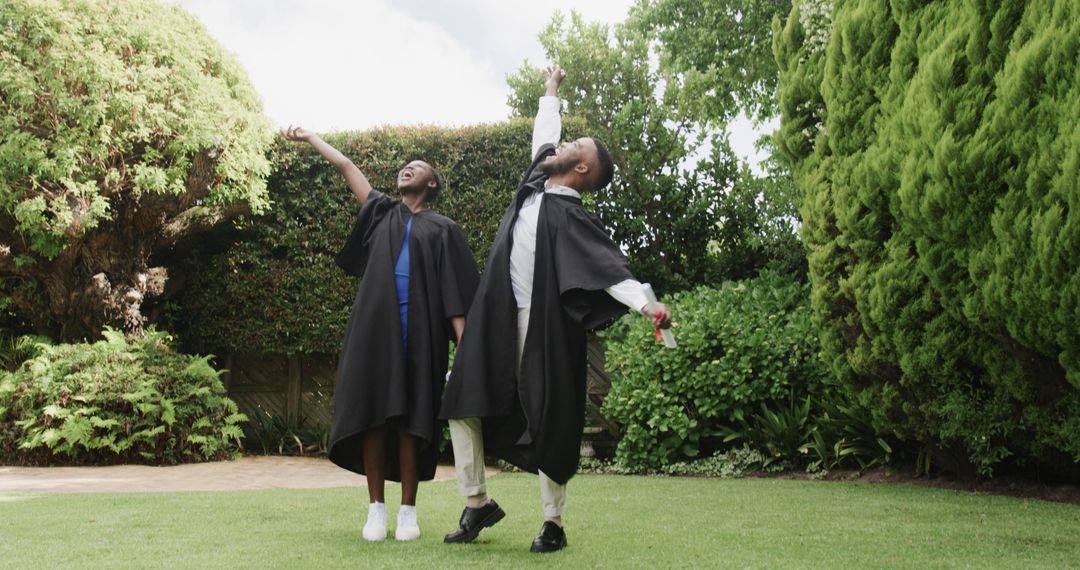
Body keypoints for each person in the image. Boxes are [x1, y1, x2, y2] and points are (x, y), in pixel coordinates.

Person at [438, 65, 672, 553]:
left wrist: (649, 307)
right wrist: (550, 90)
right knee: (462, 403)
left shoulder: (573, 217)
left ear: (581, 169)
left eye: (571, 147)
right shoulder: (534, 183)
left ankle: (553, 523)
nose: (559, 148)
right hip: (496, 319)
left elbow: (612, 270)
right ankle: (477, 502)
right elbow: (544, 138)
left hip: (542, 326)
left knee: (550, 416)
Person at [282, 126, 479, 542]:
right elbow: (346, 165)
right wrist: (312, 138)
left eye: (418, 167)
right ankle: (376, 510)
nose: (408, 168)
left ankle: (408, 512)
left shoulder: (444, 230)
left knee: (411, 423)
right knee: (373, 418)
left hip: (421, 341)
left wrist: (466, 348)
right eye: (406, 165)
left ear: (432, 183)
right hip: (374, 336)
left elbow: (456, 296)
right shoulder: (382, 212)